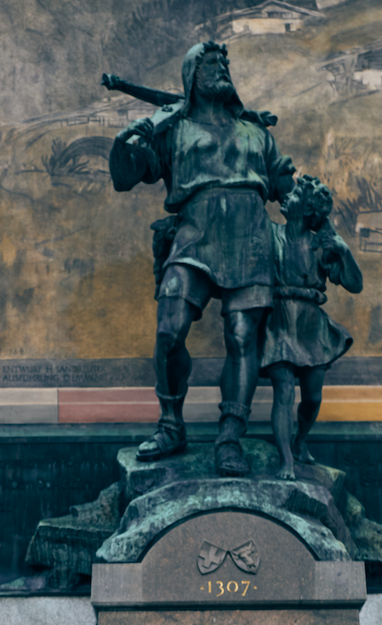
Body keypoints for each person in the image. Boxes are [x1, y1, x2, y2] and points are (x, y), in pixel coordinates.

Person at [110, 42, 296, 476]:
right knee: (168, 332)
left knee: (242, 336)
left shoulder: (256, 132)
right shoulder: (172, 129)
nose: (221, 68)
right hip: (194, 234)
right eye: (211, 62)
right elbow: (125, 177)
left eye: (224, 63)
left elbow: (288, 187)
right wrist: (128, 139)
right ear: (191, 74)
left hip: (251, 238)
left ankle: (230, 437)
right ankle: (171, 425)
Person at [261, 174, 363, 479]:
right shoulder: (270, 233)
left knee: (313, 397)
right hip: (278, 321)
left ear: (306, 210)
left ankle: (300, 440)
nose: (286, 197)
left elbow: (355, 285)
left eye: (294, 195)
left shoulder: (321, 245)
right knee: (283, 391)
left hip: (311, 324)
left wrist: (343, 251)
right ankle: (287, 462)